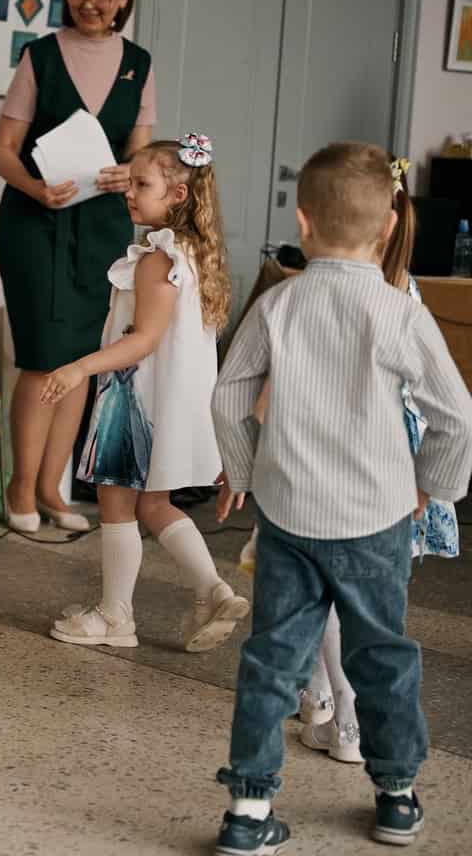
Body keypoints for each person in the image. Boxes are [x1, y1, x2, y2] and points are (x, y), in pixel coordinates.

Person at [209, 142, 472, 853]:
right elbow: (456, 416)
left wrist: (246, 472)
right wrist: (433, 487)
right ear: (387, 225)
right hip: (377, 519)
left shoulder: (279, 303)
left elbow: (229, 393)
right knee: (383, 655)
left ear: (302, 221)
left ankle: (249, 811)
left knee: (273, 659)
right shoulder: (399, 312)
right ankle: (396, 798)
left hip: (290, 515)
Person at [40, 135, 247, 652]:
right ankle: (214, 591)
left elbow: (144, 340)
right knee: (154, 504)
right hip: (170, 405)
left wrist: (79, 368)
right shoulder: (194, 253)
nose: (129, 193)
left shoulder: (159, 257)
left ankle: (116, 616)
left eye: (141, 184)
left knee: (116, 501)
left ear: (178, 194)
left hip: (136, 401)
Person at [0, 0, 156, 534]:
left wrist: (126, 174)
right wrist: (36, 189)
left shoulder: (139, 63)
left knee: (81, 361)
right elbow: (2, 150)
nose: (89, 1)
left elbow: (142, 157)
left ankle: (52, 489)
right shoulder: (39, 55)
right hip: (34, 225)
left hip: (102, 230)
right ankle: (20, 487)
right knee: (42, 358)